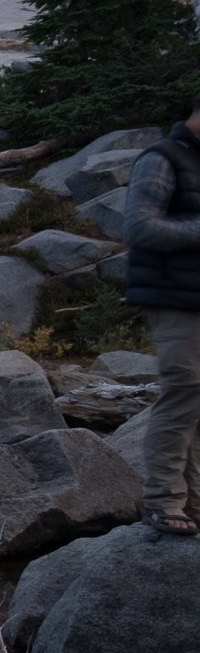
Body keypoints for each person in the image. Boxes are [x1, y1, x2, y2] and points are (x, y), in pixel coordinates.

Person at [125, 98, 200, 534]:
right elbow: (139, 227)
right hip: (174, 298)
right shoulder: (161, 158)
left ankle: (193, 502)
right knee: (185, 390)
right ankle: (163, 500)